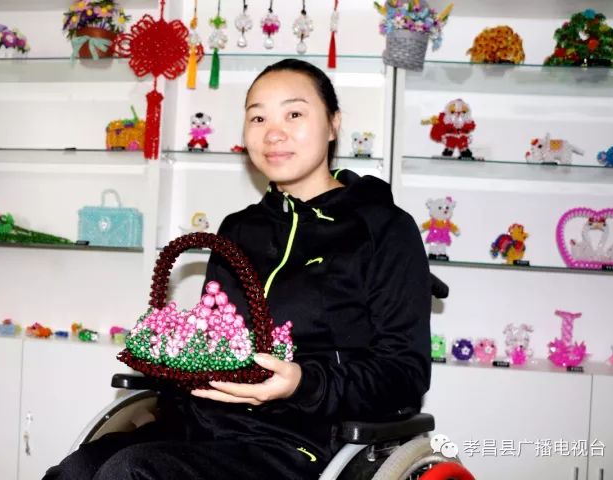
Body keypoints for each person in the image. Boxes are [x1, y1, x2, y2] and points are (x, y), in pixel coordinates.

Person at [44, 58, 431, 480]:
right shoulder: (239, 228)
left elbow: (404, 375)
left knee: (132, 471)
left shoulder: (384, 229)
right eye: (258, 118)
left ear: (333, 123)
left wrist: (303, 382)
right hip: (202, 426)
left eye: (294, 114)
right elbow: (216, 341)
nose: (273, 133)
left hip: (301, 442)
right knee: (78, 469)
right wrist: (173, 355)